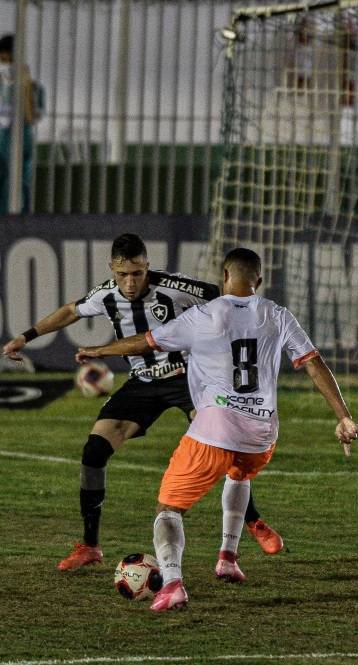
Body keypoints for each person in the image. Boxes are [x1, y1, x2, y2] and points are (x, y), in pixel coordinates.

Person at [76, 247, 358, 611]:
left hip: (215, 429)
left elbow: (147, 342)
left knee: (168, 509)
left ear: (224, 277)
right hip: (262, 433)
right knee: (239, 477)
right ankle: (228, 557)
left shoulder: (203, 315)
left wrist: (99, 351)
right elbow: (313, 363)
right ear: (257, 281)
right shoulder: (278, 314)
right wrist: (344, 416)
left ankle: (173, 583)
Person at [1, 234, 285, 570]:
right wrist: (25, 337)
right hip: (143, 383)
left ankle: (254, 523)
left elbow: (227, 298)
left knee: (224, 442)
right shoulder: (106, 294)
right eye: (123, 274)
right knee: (94, 451)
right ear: (113, 269)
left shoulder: (177, 287)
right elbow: (69, 311)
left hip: (187, 379)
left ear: (147, 267)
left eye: (138, 273)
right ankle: (90, 545)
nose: (131, 281)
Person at [0, 33, 35, 214]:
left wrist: (25, 86)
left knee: (21, 180)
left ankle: (20, 219)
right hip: (10, 135)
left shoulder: (24, 78)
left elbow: (30, 116)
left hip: (19, 135)